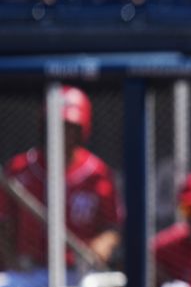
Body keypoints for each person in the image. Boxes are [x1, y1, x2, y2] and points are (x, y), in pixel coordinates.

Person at [0, 86, 122, 276]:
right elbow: (3, 223)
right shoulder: (20, 168)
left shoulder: (97, 173)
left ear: (83, 129)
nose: (62, 133)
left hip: (78, 271)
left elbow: (112, 226)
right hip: (27, 270)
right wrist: (12, 262)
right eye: (56, 125)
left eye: (70, 127)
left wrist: (103, 244)